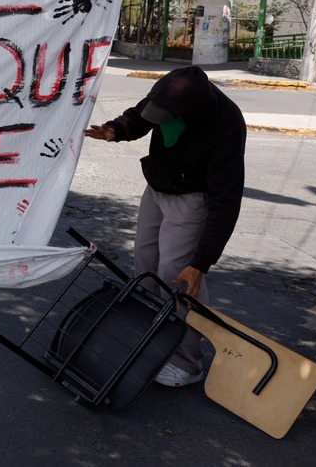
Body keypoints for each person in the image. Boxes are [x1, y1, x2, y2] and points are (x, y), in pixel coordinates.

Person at [83, 66, 246, 387]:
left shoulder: (224, 125)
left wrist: (201, 263)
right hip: (157, 186)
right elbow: (141, 117)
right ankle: (149, 340)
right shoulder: (171, 94)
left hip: (192, 197)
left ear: (188, 114)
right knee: (145, 264)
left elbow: (226, 203)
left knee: (178, 273)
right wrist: (116, 130)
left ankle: (187, 361)